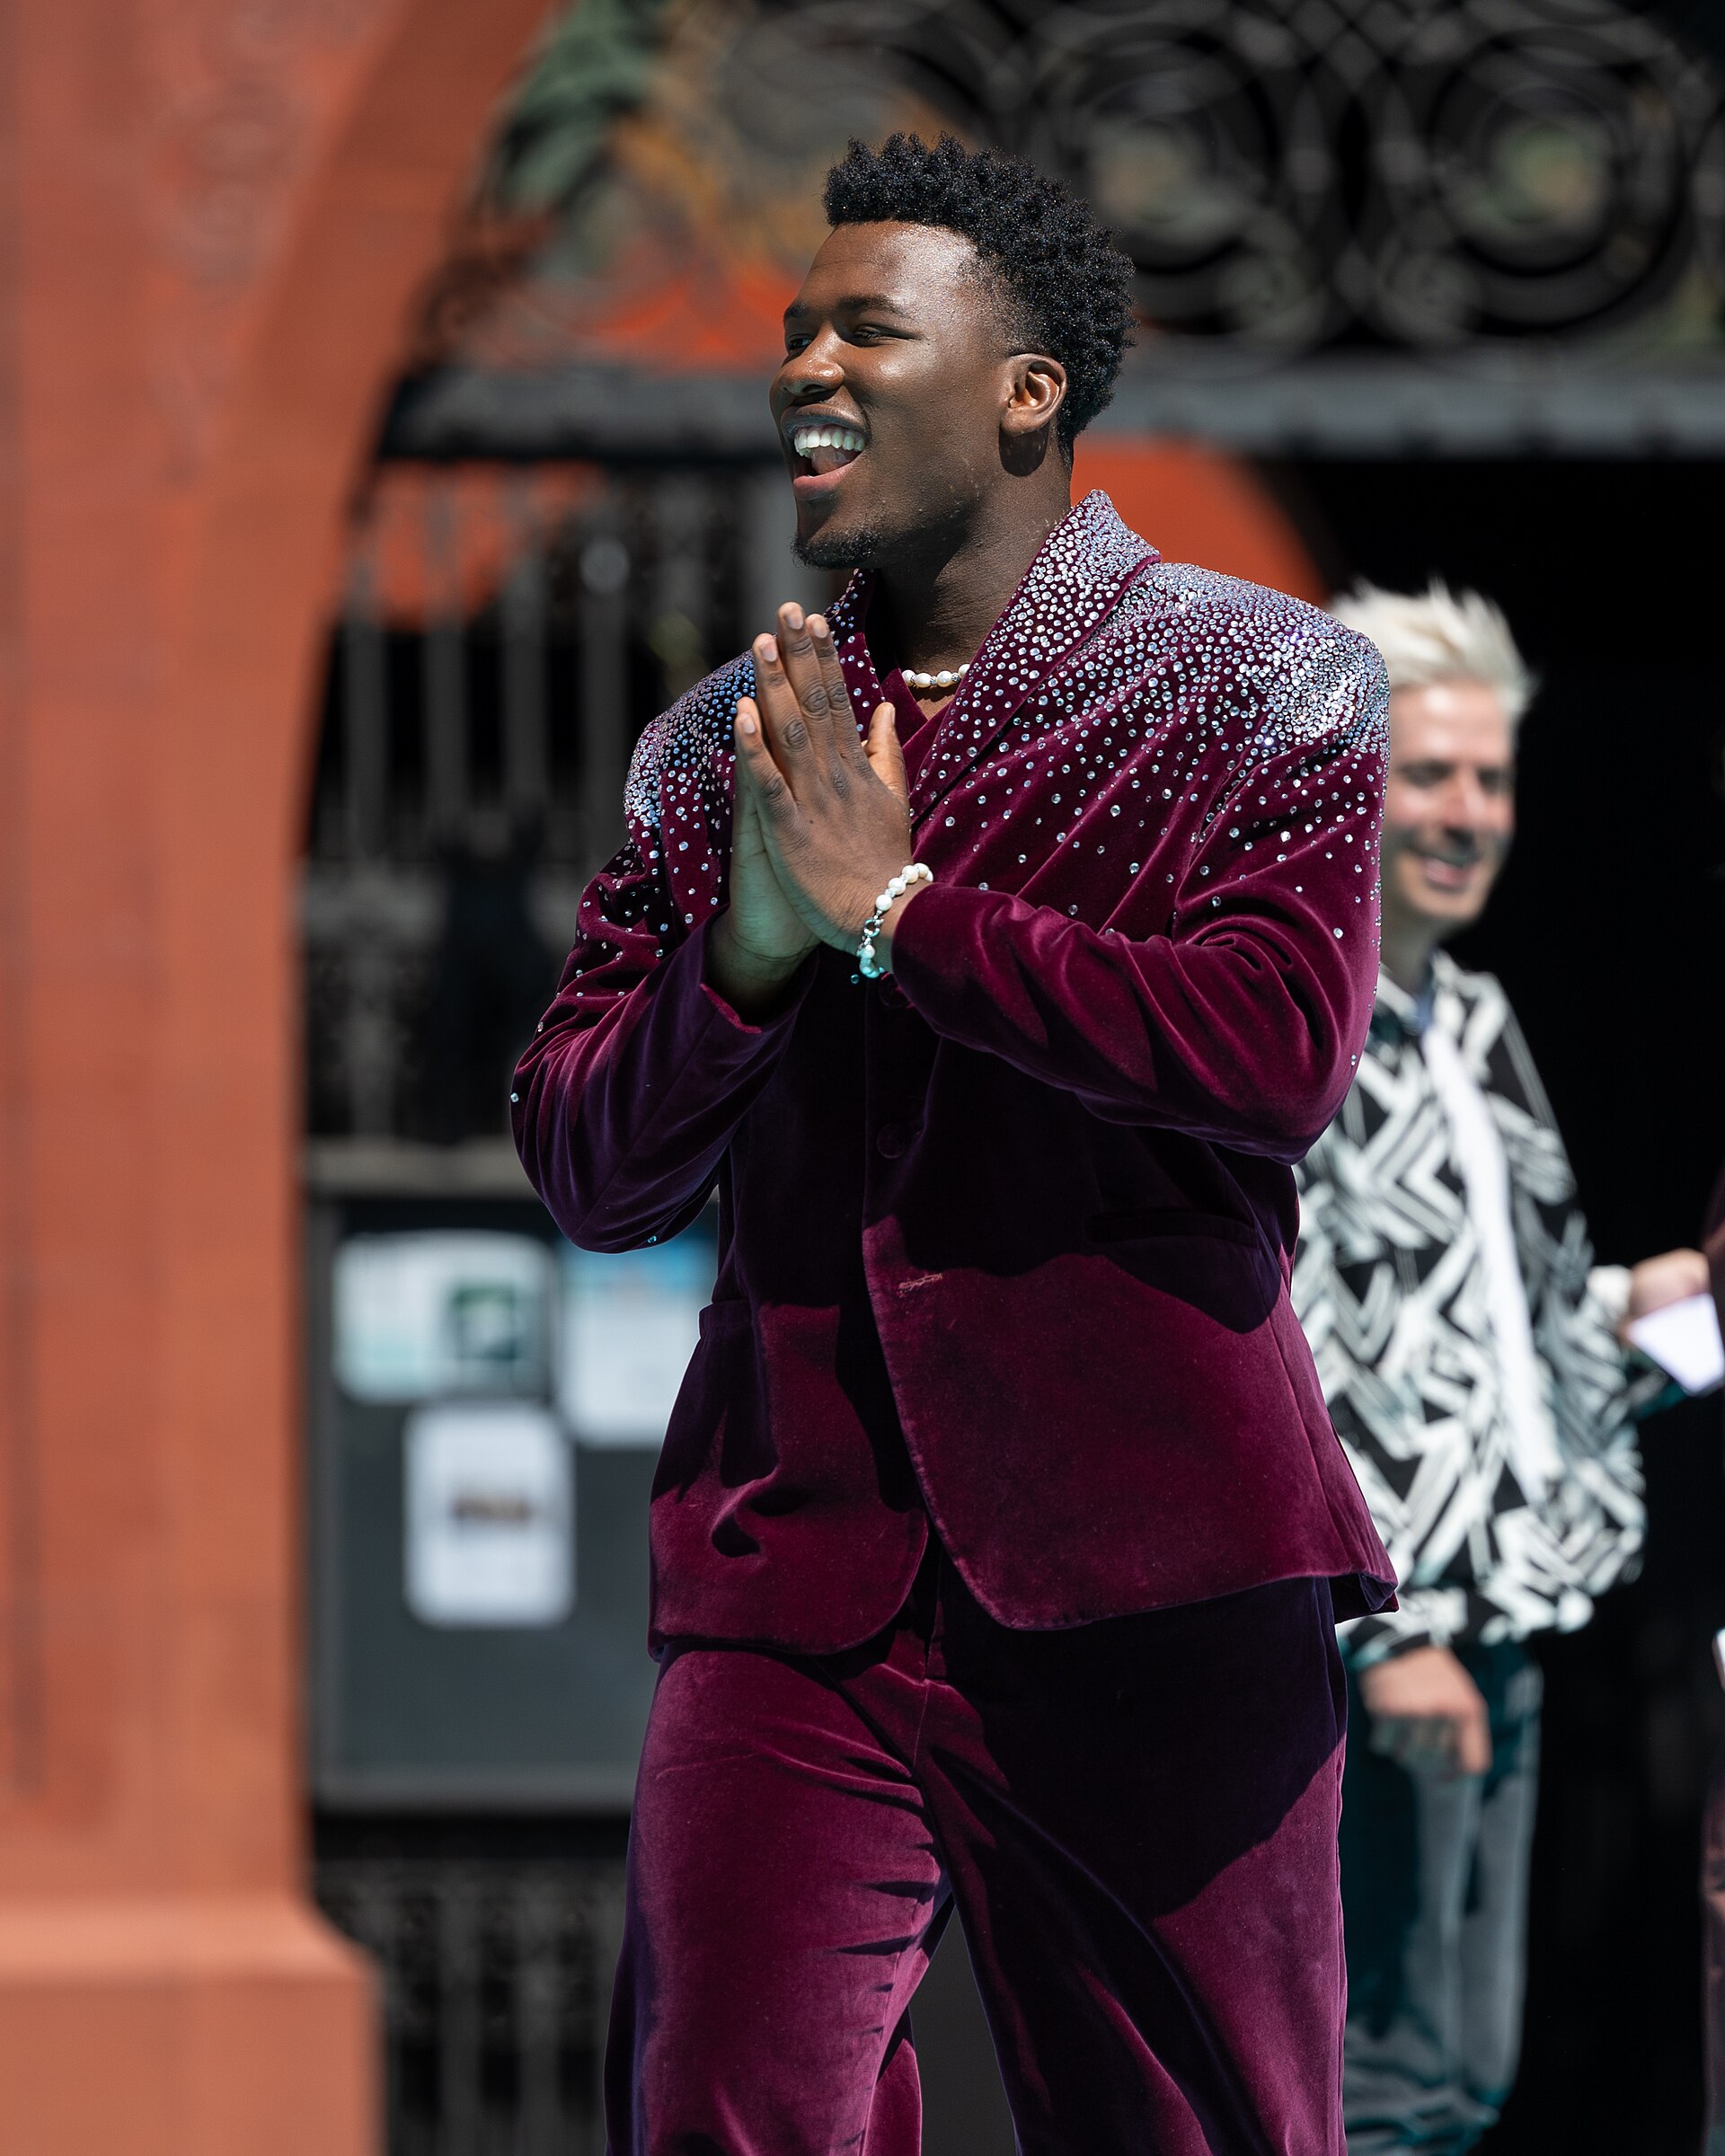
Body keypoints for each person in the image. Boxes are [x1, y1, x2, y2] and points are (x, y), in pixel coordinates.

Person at [515, 132, 1395, 2153]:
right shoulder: (717, 748)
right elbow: (585, 1164)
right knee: (725, 2115)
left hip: (1160, 1571)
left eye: (867, 327)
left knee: (1204, 2126)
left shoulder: (1267, 687)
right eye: (793, 329)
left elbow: (1271, 1050)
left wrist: (904, 921)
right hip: (787, 1585)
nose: (804, 365)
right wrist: (745, 950)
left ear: (1029, 389)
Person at [1296, 580, 1686, 2154]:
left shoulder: (1469, 1020)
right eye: (1429, 773)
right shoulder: (1294, 1028)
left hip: (1499, 1635)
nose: (1468, 813)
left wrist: (1666, 1310)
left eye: (1490, 776)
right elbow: (1274, 1358)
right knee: (1372, 2095)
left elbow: (1507, 1350)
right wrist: (1381, 1639)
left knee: (1459, 2082)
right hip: (1379, 1655)